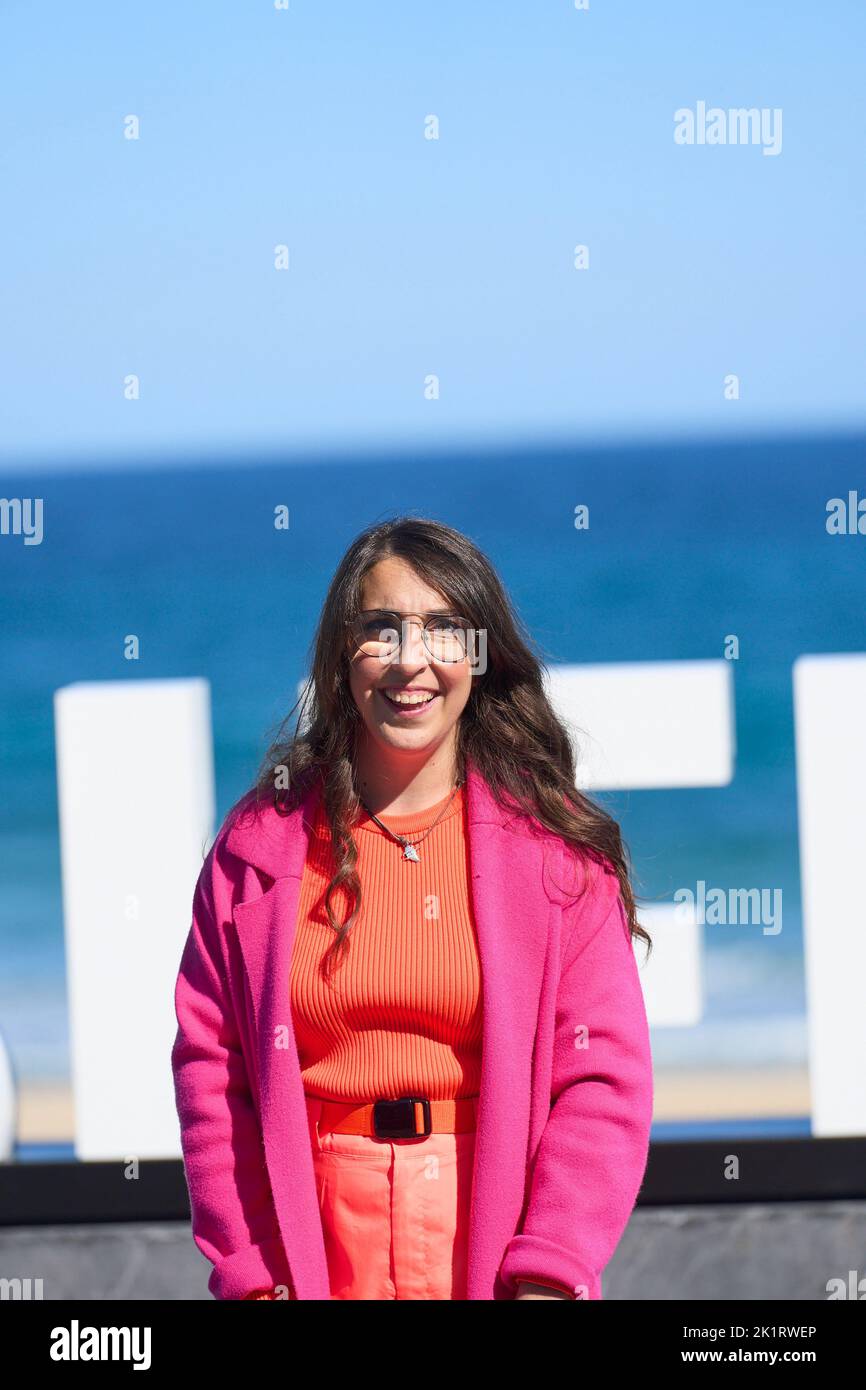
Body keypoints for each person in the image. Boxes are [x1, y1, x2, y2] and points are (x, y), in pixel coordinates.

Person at [171, 515, 654, 1300]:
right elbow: (211, 1068)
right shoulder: (258, 848)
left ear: (481, 655)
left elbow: (601, 1080)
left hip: (492, 1244)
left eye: (443, 629)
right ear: (340, 654)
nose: (411, 660)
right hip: (314, 1245)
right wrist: (254, 1272)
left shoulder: (556, 854)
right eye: (381, 629)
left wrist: (551, 1268)